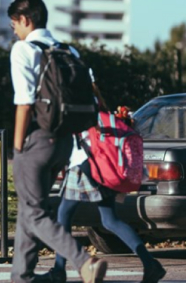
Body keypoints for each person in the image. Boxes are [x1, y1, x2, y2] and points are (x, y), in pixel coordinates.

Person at [7, 0, 108, 283]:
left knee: (36, 214)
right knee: (30, 210)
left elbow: (24, 102)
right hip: (64, 143)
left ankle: (83, 261)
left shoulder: (23, 50)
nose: (14, 29)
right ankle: (21, 277)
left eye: (15, 23)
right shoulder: (68, 51)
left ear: (25, 19)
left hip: (36, 142)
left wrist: (17, 148)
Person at [49, 84, 166, 283]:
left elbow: (70, 133)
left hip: (84, 165)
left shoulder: (77, 101)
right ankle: (150, 264)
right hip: (101, 165)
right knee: (109, 220)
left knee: (64, 215)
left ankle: (59, 269)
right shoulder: (96, 103)